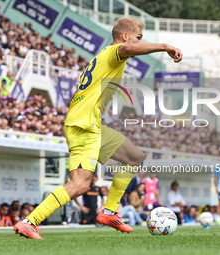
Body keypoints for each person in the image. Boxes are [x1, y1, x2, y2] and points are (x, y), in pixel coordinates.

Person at [14, 16, 182, 239]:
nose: (139, 42)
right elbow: (129, 49)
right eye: (138, 37)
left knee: (134, 156)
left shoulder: (106, 57)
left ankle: (110, 211)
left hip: (91, 124)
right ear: (124, 36)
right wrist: (164, 46)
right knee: (80, 184)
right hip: (84, 126)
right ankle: (29, 221)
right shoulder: (114, 52)